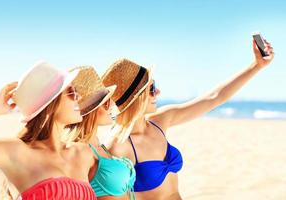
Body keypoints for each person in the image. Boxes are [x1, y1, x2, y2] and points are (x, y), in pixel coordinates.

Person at [101, 39, 274, 200]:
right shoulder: (116, 146)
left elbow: (214, 98)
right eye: (152, 88)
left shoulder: (160, 121)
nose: (159, 92)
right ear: (136, 98)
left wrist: (256, 66)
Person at [0, 61, 97, 200]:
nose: (79, 97)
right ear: (51, 103)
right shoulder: (18, 152)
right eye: (72, 92)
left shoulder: (81, 153)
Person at [66, 66, 136, 200]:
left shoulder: (98, 145)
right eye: (105, 102)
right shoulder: (80, 150)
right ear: (91, 111)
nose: (112, 106)